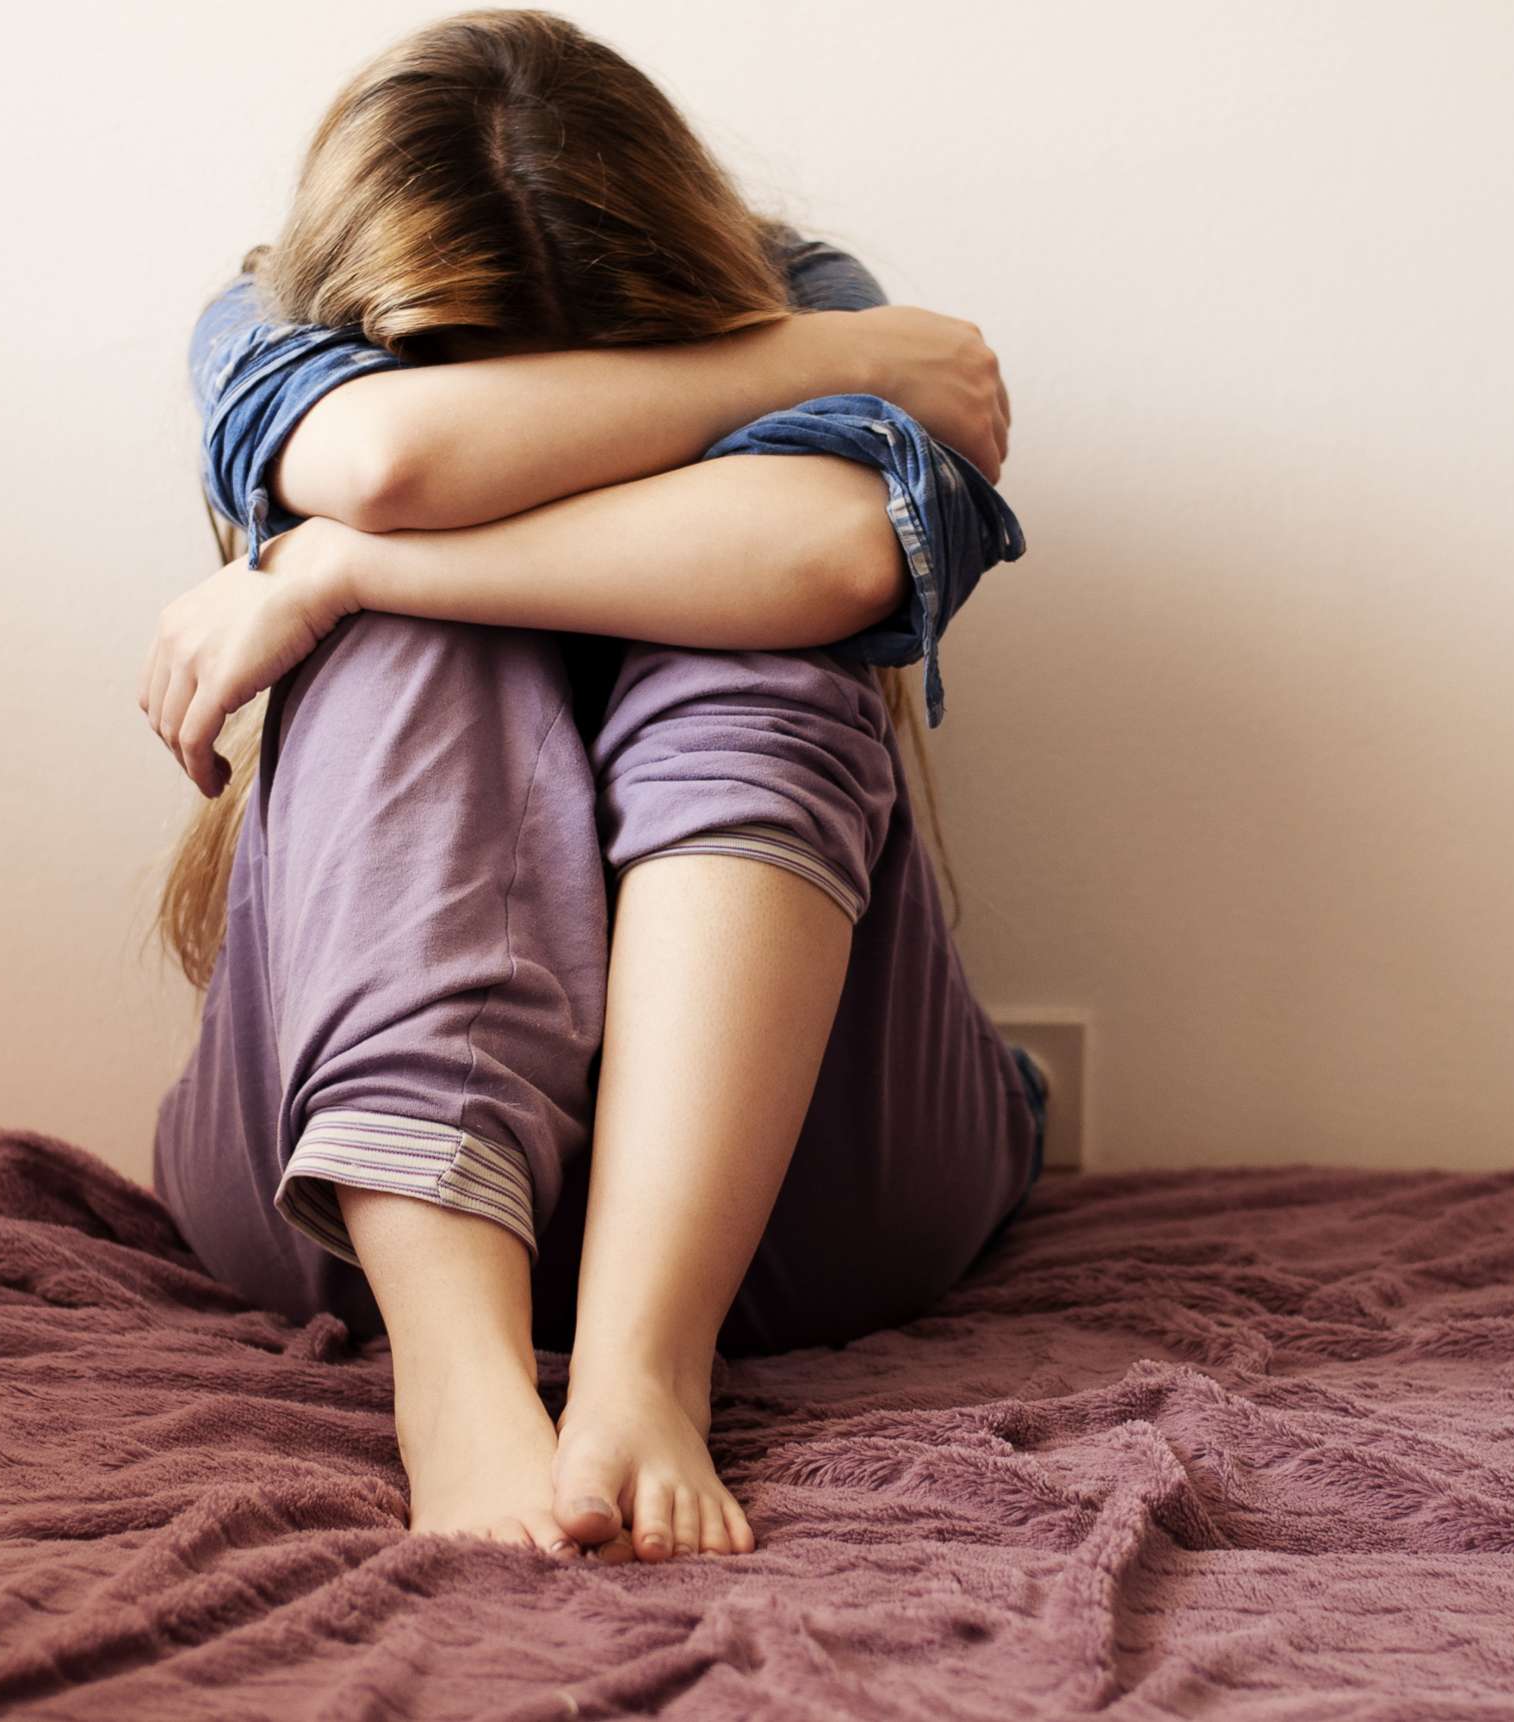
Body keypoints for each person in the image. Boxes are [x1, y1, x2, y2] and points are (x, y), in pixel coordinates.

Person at [138, 7, 1049, 1565]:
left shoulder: (803, 288)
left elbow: (829, 553)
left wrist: (333, 569)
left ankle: (645, 1362)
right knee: (402, 637)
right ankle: (456, 1375)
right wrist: (819, 368)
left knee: (766, 643)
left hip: (796, 1209)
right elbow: (388, 466)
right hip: (338, 1212)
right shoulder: (270, 314)